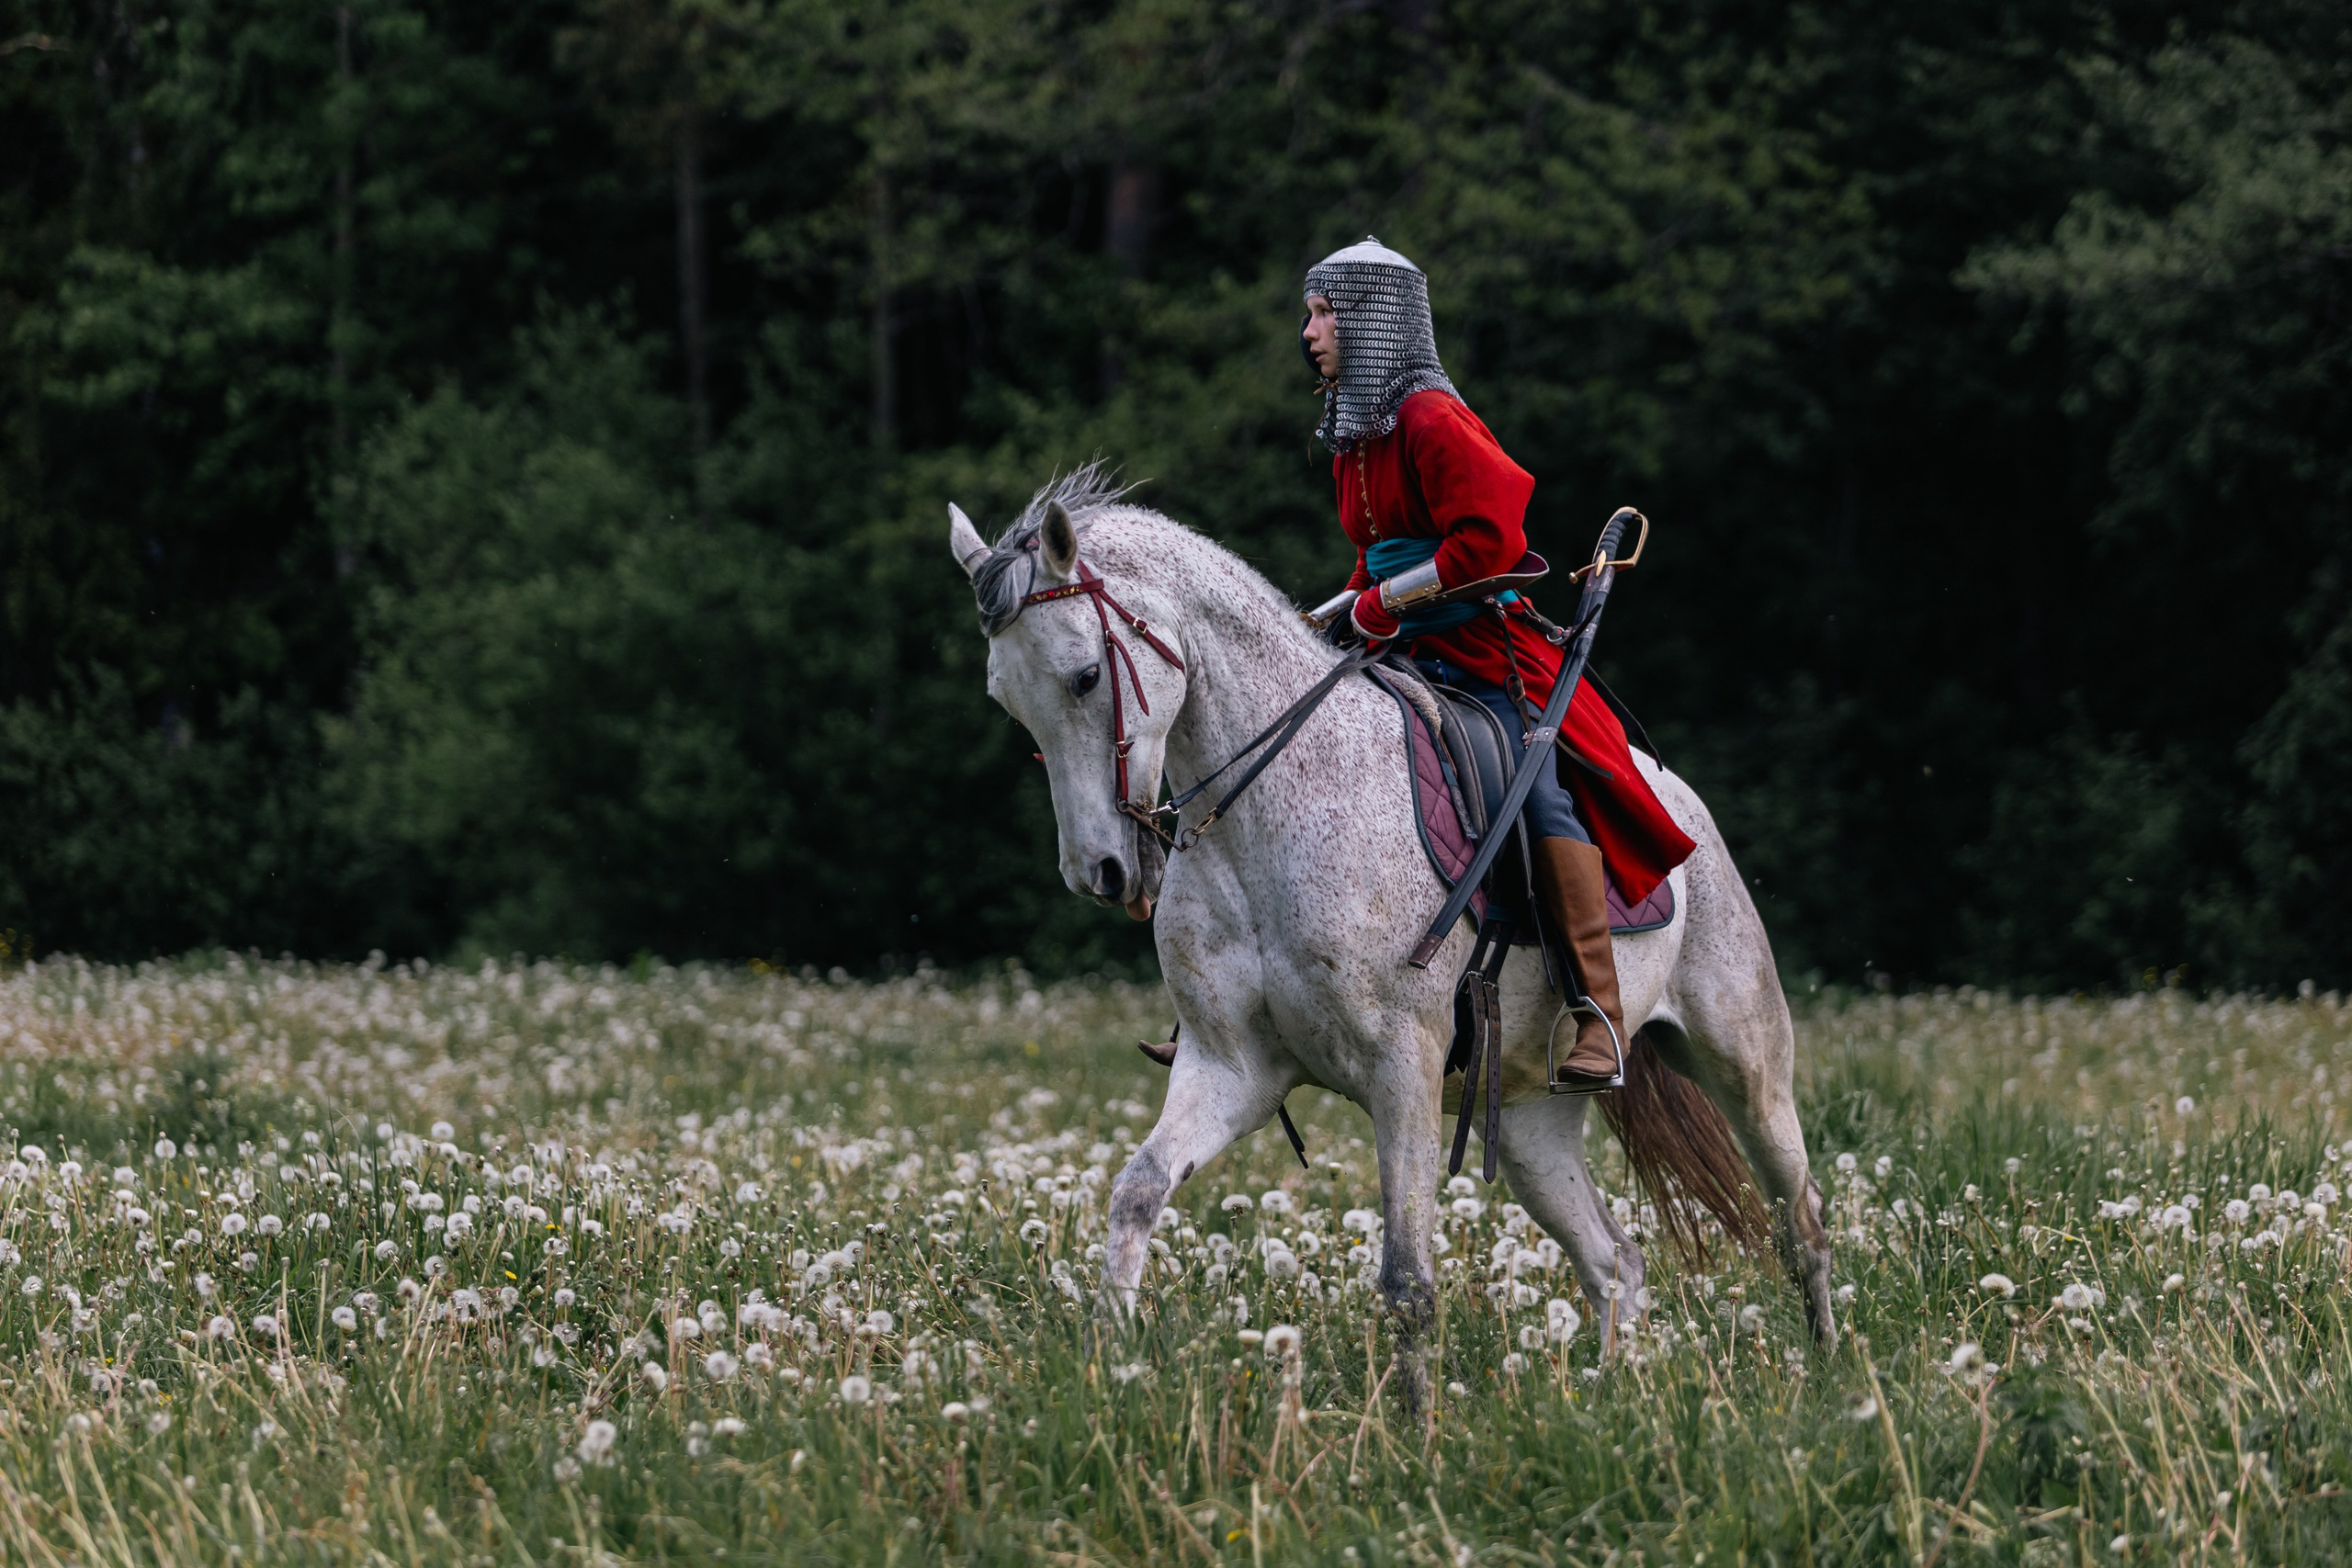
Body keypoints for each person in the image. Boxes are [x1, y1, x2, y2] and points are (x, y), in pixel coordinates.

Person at [1300, 236, 1696, 1092]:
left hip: (1481, 647)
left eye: (1327, 313)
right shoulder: (1355, 429)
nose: (1311, 332)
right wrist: (1333, 616)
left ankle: (1600, 1010)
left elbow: (1492, 542)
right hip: (1397, 644)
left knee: (1534, 778)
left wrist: (1381, 604)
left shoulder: (1431, 418)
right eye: (1313, 313)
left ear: (1372, 322)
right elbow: (1373, 556)